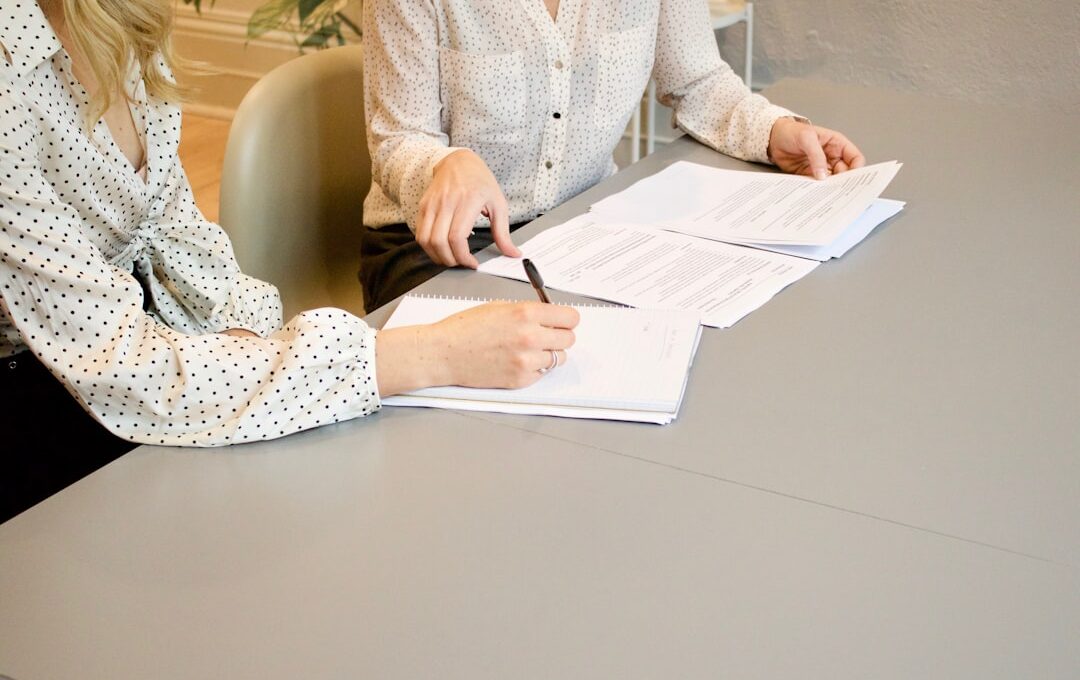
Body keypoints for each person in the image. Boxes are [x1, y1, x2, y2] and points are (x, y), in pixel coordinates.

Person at [0, 0, 579, 523]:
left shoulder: (121, 21)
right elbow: (120, 365)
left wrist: (252, 344)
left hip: (136, 345)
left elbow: (180, 241)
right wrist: (431, 354)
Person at [360, 0, 867, 310]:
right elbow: (398, 137)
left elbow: (697, 81)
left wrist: (774, 129)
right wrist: (443, 165)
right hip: (434, 246)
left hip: (581, 230)